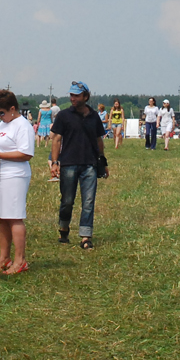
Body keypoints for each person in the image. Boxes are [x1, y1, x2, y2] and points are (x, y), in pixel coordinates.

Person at [50, 81, 108, 250]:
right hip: (69, 163)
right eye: (71, 95)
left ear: (85, 97)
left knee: (88, 201)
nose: (73, 98)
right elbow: (56, 139)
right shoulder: (64, 116)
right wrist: (55, 162)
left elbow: (99, 140)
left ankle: (85, 236)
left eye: (76, 95)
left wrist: (102, 161)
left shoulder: (94, 116)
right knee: (67, 201)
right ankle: (64, 228)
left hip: (89, 164)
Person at [0, 89, 35, 275]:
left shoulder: (22, 126)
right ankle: (4, 258)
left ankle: (20, 260)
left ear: (13, 109)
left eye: (2, 113)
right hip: (0, 174)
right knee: (2, 217)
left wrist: (0, 155)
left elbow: (26, 153)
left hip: (15, 175)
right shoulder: (2, 124)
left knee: (14, 217)